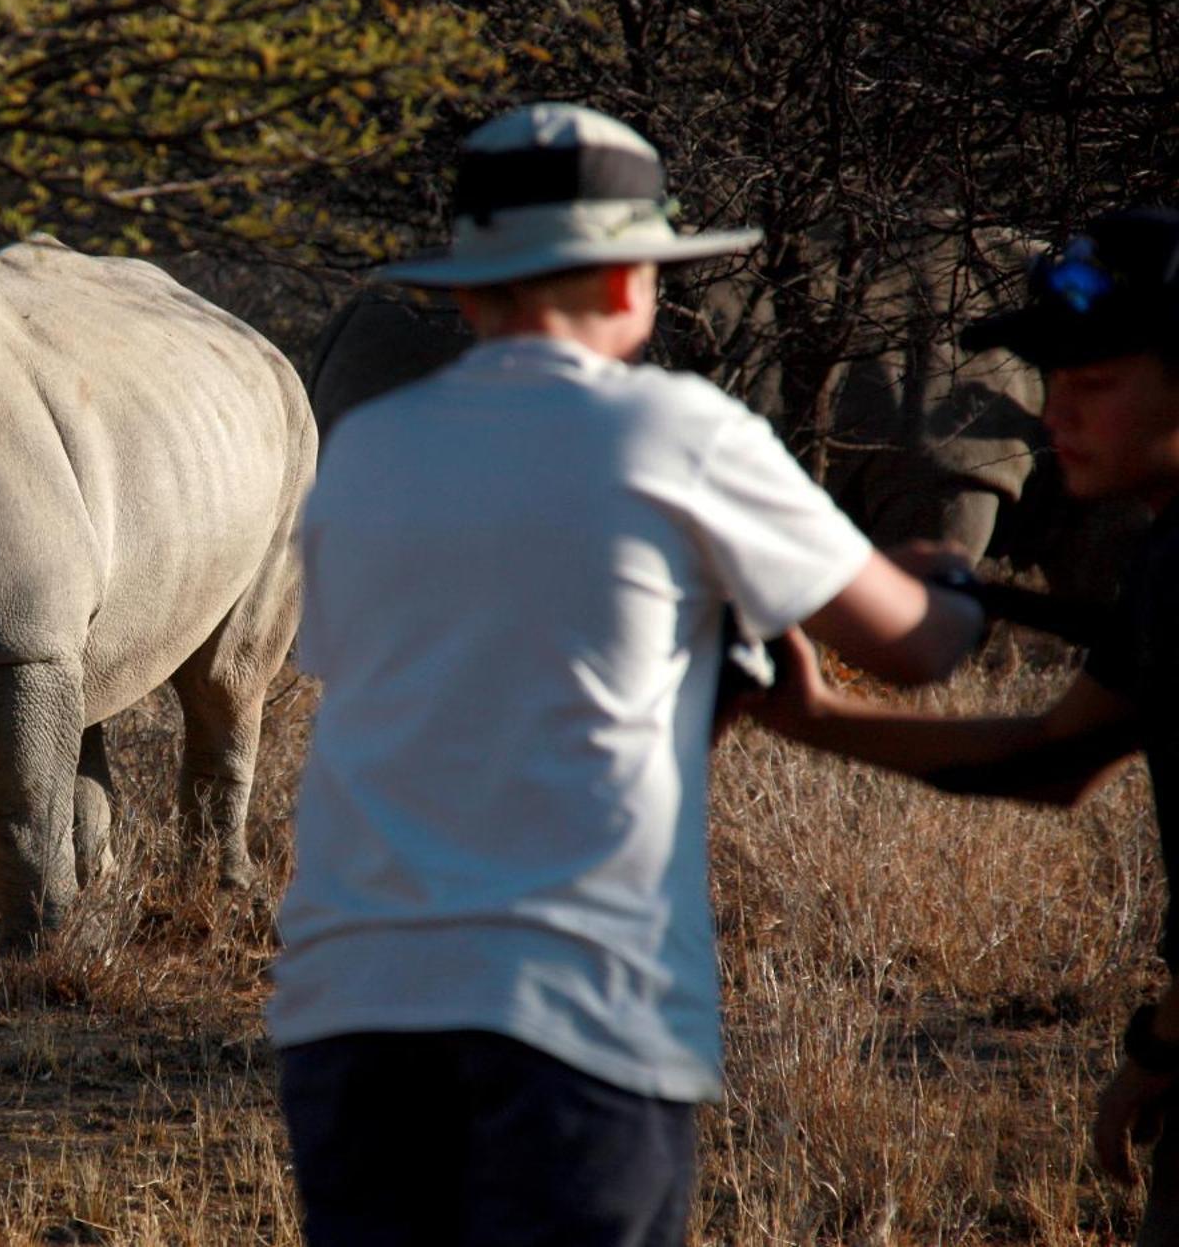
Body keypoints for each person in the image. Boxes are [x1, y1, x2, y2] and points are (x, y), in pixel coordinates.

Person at [268, 100, 986, 1247]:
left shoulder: (364, 449)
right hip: (577, 1009)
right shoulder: (676, 430)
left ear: (465, 287)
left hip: (346, 1009)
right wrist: (950, 587)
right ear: (623, 283)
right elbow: (909, 645)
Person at [750, 206, 1179, 1242]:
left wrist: (1163, 1047)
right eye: (1054, 386)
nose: (1054, 417)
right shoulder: (1167, 563)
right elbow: (1055, 757)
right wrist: (808, 714)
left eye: (1092, 386)